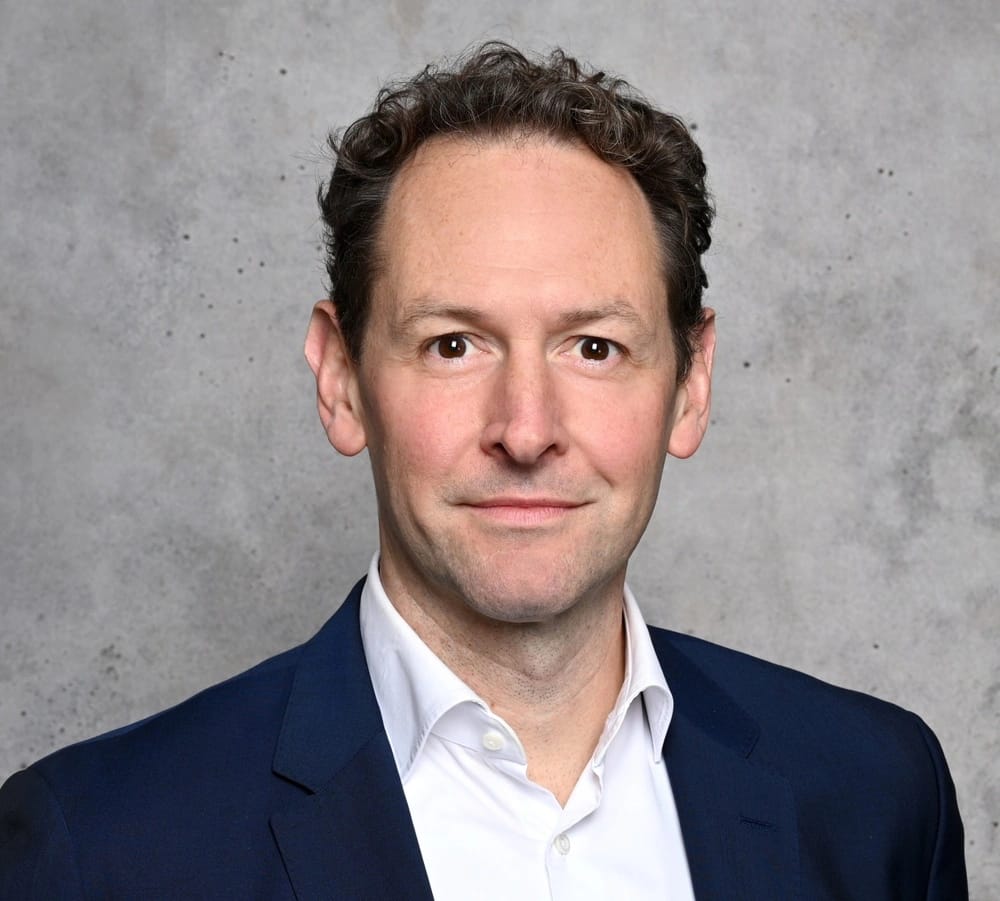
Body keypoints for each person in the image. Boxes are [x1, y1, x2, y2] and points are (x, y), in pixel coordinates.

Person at [0, 43, 967, 900]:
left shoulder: (878, 796)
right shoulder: (99, 851)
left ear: (691, 384)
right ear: (341, 379)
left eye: (594, 347)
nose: (527, 430)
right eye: (454, 344)